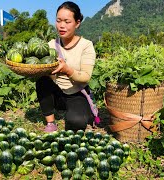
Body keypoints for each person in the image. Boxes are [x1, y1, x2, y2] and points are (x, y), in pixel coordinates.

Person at [36, 1, 97, 132]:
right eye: (58, 21)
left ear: (77, 23)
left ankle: (81, 111)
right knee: (42, 81)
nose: (61, 26)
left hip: (76, 93)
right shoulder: (51, 45)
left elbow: (85, 77)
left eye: (67, 22)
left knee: (76, 122)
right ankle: (51, 123)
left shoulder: (86, 45)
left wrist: (67, 69)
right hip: (57, 92)